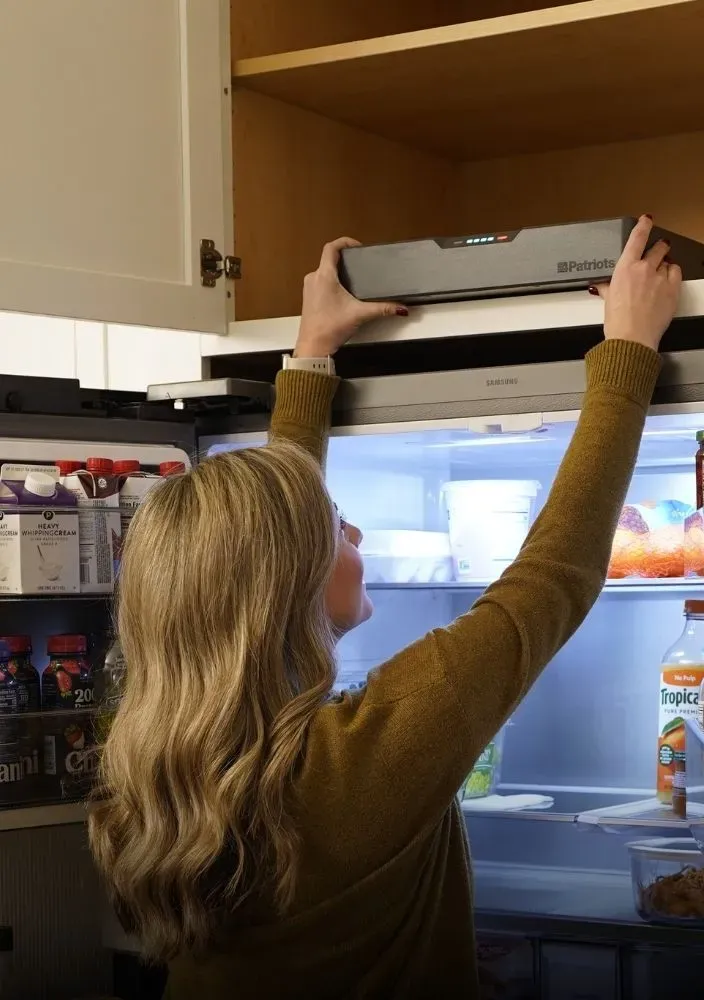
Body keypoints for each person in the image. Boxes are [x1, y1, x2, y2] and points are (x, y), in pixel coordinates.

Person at [88, 216, 681, 998]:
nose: (356, 528)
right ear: (286, 582)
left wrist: (310, 356)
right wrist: (628, 357)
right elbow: (552, 577)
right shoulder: (365, 751)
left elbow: (258, 530)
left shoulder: (154, 758)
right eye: (336, 523)